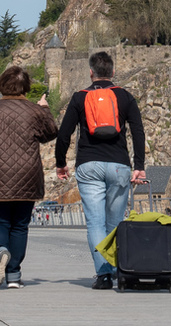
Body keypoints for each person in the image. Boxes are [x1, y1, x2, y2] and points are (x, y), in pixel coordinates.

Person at [55, 50, 146, 289]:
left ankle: (104, 275)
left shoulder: (79, 97)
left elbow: (64, 134)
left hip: (89, 164)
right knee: (115, 222)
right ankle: (118, 270)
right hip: (119, 165)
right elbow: (138, 132)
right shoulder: (125, 96)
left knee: (95, 223)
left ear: (91, 72)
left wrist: (60, 163)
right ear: (113, 72)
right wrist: (139, 167)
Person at [0, 66, 58, 288]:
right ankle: (14, 274)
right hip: (27, 174)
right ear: (26, 87)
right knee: (21, 224)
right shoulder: (34, 111)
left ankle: (1, 251)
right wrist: (44, 109)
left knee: (2, 221)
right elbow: (51, 133)